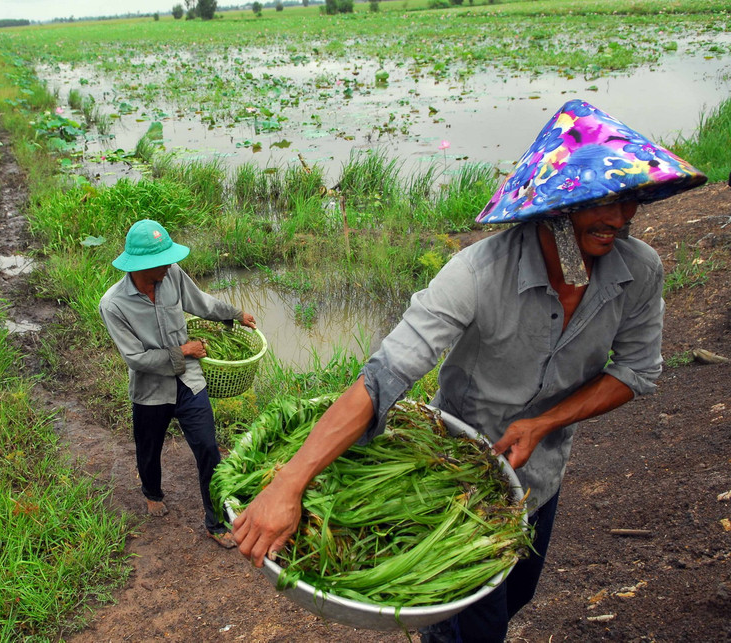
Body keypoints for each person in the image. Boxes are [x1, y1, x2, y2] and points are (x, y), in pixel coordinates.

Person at [232, 99, 707, 641]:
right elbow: (387, 372)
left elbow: (638, 371)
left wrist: (543, 424)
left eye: (629, 203)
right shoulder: (478, 273)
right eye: (603, 203)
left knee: (516, 593)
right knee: (470, 626)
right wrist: (291, 481)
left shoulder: (638, 271)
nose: (621, 220)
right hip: (457, 469)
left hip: (542, 474)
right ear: (557, 205)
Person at [99, 219, 257, 549]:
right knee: (148, 447)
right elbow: (136, 358)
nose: (170, 263)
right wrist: (183, 350)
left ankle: (215, 521)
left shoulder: (172, 275)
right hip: (151, 390)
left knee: (208, 449)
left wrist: (235, 313)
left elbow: (200, 302)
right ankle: (152, 493)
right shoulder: (113, 304)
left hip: (189, 381)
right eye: (163, 260)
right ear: (143, 265)